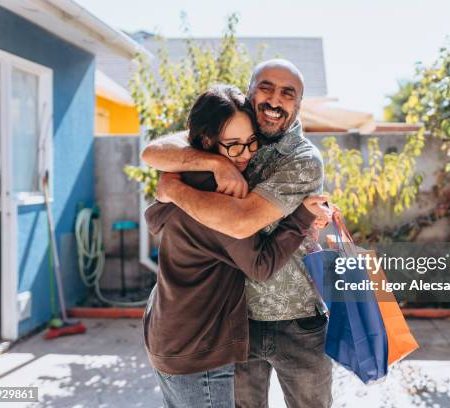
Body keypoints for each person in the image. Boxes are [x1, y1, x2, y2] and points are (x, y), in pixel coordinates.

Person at [142, 59, 333, 408]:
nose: (276, 100)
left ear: (298, 105)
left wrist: (174, 187)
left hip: (296, 318)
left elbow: (240, 222)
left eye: (288, 94)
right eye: (266, 88)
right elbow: (152, 152)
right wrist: (213, 163)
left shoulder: (301, 158)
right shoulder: (232, 135)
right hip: (237, 322)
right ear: (249, 93)